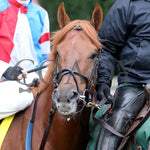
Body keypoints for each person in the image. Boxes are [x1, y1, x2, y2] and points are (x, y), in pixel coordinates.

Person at [96, 0, 150, 149]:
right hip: (135, 83)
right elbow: (107, 47)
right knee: (115, 124)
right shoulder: (126, 4)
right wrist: (103, 80)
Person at [0, 0, 50, 119]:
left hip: (34, 81)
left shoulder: (42, 13)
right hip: (4, 81)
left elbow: (46, 57)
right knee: (24, 98)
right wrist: (5, 70)